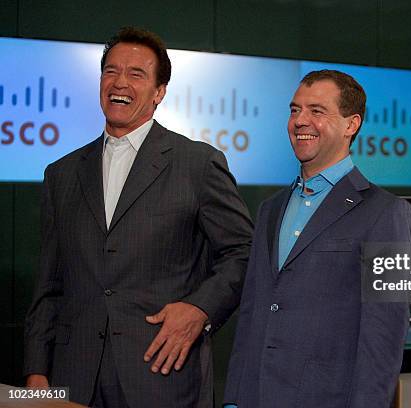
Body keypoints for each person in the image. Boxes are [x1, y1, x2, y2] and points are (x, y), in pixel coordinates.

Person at [23, 27, 253, 408]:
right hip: (73, 379)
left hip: (161, 375)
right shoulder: (60, 174)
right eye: (111, 71)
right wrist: (36, 370)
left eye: (136, 74)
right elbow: (49, 282)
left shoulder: (197, 164)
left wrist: (200, 309)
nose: (119, 82)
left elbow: (243, 252)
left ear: (159, 92)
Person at [223, 70, 411, 408]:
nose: (301, 120)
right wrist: (234, 399)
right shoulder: (271, 209)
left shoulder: (387, 213)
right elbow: (253, 313)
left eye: (316, 111)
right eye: (295, 109)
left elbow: (383, 340)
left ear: (351, 124)